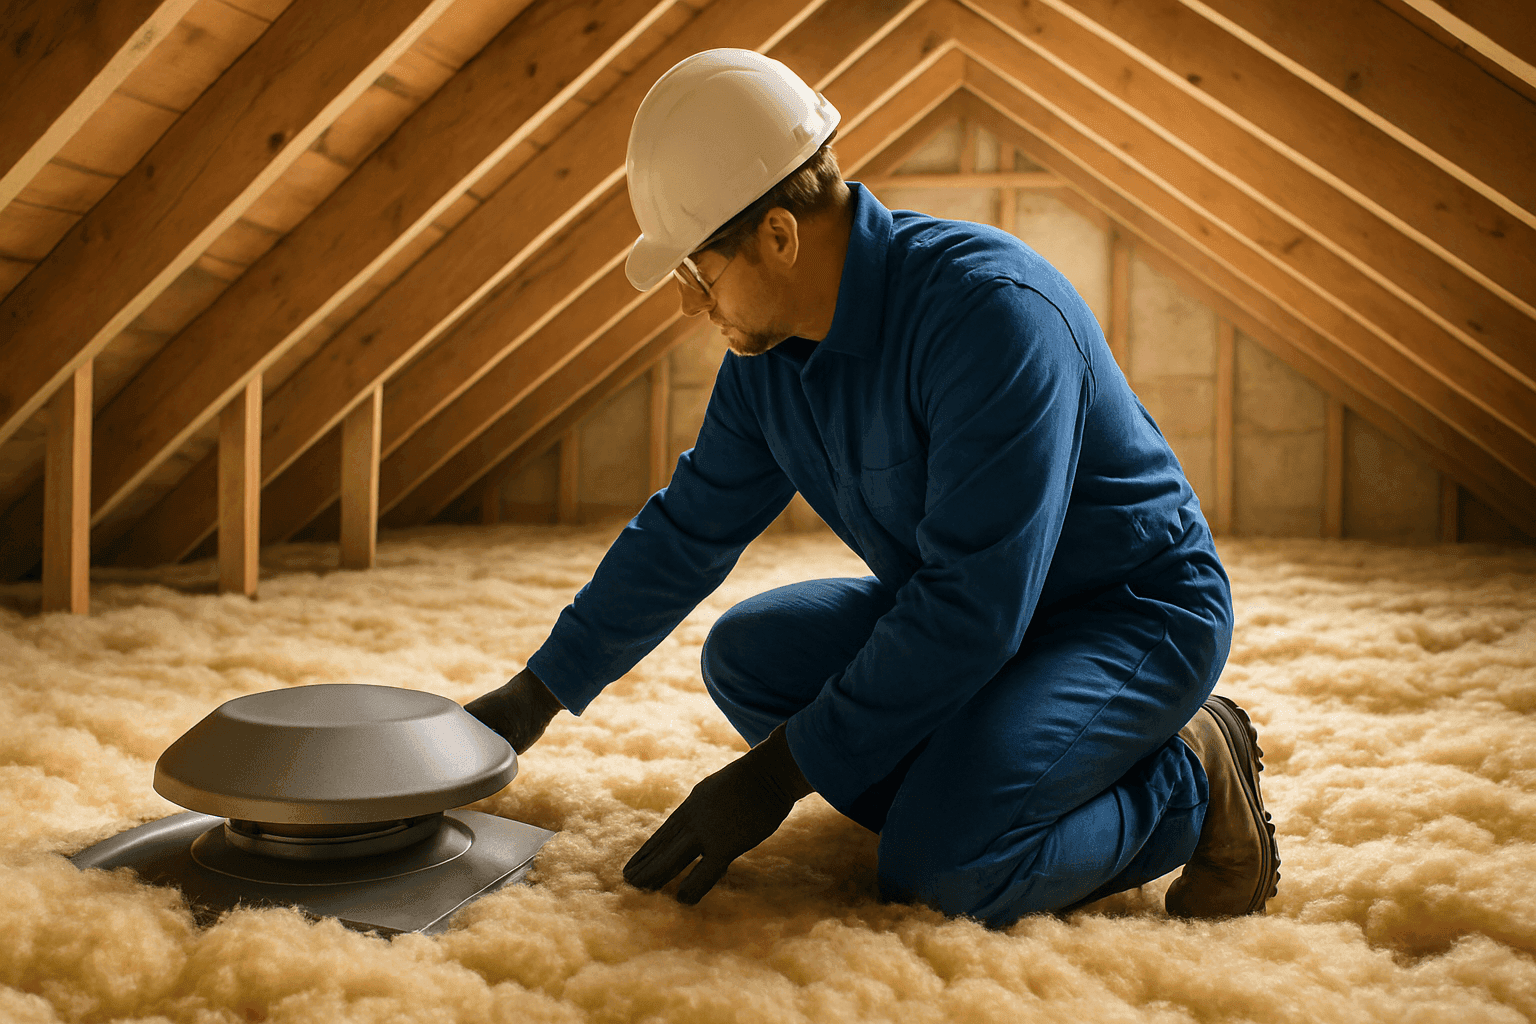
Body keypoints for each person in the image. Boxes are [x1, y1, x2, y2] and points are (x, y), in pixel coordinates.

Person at [466, 48, 1279, 927]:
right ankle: (996, 778)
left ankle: (1188, 770)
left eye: (697, 274)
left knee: (940, 872)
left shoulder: (989, 315)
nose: (688, 305)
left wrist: (777, 774)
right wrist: (535, 694)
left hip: (1128, 617)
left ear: (778, 235)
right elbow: (688, 530)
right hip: (982, 623)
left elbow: (973, 607)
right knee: (747, 657)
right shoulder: (768, 353)